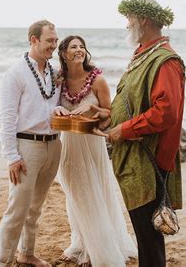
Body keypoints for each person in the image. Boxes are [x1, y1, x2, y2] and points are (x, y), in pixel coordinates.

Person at [108, 0, 185, 267]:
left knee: (149, 238)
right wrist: (108, 116)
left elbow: (166, 112)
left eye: (129, 18)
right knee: (143, 233)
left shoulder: (166, 60)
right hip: (135, 156)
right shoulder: (145, 53)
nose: (127, 24)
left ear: (143, 19)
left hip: (148, 160)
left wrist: (124, 129)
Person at [55, 35, 137, 266]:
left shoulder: (97, 80)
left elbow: (109, 114)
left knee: (94, 193)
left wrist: (92, 108)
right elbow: (49, 107)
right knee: (75, 196)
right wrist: (60, 108)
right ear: (63, 54)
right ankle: (80, 242)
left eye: (82, 47)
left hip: (91, 144)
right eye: (74, 47)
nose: (79, 50)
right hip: (68, 144)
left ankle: (98, 249)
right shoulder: (58, 80)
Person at [0, 20, 67, 267]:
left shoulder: (55, 72)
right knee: (17, 210)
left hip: (54, 146)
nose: (54, 45)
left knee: (35, 209)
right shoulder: (16, 72)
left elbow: (59, 104)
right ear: (33, 40)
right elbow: (6, 116)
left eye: (56, 41)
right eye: (50, 41)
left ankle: (26, 253)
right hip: (27, 148)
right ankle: (3, 262)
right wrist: (12, 157)